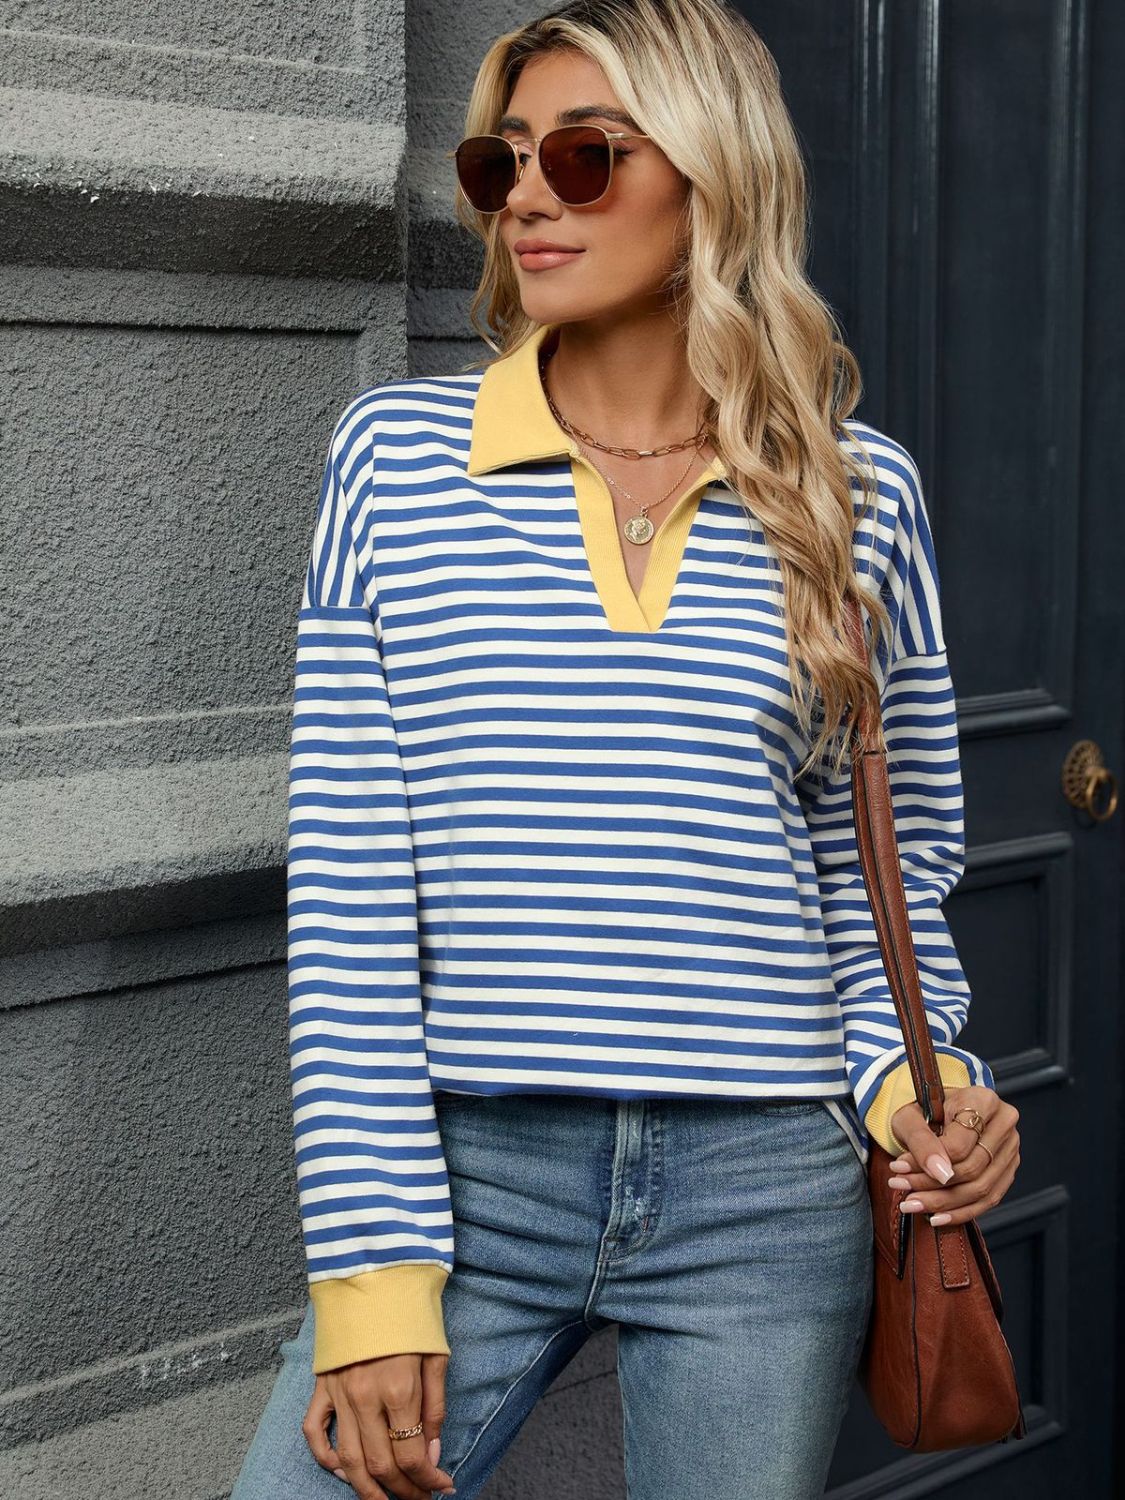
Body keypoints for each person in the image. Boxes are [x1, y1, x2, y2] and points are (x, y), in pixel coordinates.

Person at [231, 3, 1021, 1497]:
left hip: (767, 1196)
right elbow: (347, 894)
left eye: (585, 157)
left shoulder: (855, 496)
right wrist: (372, 1280)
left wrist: (924, 1088)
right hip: (472, 1180)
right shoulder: (393, 464)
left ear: (710, 175)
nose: (527, 198)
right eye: (502, 162)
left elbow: (885, 872)